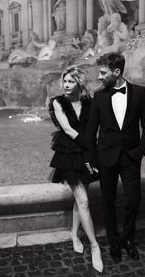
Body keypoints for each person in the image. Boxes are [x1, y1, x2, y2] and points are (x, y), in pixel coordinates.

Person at [85, 52, 145, 263]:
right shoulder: (99, 96)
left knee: (133, 201)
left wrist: (140, 151)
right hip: (106, 157)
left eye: (103, 72)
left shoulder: (140, 93)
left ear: (117, 72)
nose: (99, 76)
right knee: (108, 201)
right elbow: (91, 131)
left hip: (131, 157)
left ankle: (128, 239)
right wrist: (90, 158)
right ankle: (114, 241)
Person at [49, 66, 103, 273]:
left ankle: (74, 233)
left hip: (88, 152)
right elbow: (69, 129)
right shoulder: (57, 102)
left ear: (79, 83)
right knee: (84, 201)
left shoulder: (90, 102)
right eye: (64, 81)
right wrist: (90, 148)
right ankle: (95, 246)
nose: (66, 85)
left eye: (70, 81)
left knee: (80, 199)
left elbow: (94, 127)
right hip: (69, 153)